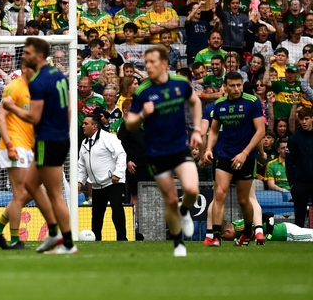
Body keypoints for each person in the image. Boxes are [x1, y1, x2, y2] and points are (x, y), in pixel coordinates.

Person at [126, 46, 204, 257]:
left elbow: (195, 102)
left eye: (152, 62)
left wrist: (197, 129)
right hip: (156, 153)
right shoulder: (143, 91)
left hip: (180, 148)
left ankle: (185, 211)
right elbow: (130, 123)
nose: (147, 66)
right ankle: (178, 243)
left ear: (163, 64)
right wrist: (142, 114)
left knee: (191, 190)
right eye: (146, 62)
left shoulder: (179, 83)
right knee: (170, 199)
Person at [1, 37, 73, 253]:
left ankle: (66, 242)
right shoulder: (58, 75)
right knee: (30, 187)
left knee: (55, 193)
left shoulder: (39, 81)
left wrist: (11, 107)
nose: (23, 56)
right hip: (58, 138)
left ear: (39, 56)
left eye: (27, 53)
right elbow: (68, 109)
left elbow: (33, 117)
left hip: (48, 140)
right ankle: (53, 234)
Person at [0, 63, 59, 250]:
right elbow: (0, 117)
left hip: (26, 147)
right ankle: (14, 239)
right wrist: (9, 145)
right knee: (20, 193)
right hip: (14, 146)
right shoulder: (14, 86)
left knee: (29, 191)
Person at [202, 72, 267, 246]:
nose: (236, 88)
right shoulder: (220, 104)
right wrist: (208, 148)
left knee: (243, 199)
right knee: (220, 193)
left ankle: (248, 231)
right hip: (224, 154)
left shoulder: (252, 102)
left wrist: (245, 153)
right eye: (232, 85)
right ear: (225, 86)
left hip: (246, 156)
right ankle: (214, 236)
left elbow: (260, 131)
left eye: (239, 85)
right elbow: (214, 130)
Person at [78, 114, 128, 241]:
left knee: (117, 209)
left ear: (95, 126)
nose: (82, 126)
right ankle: (96, 240)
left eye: (86, 123)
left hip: (112, 182)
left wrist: (118, 173)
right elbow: (82, 165)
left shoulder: (108, 138)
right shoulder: (84, 143)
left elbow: (121, 154)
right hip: (96, 185)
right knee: (97, 214)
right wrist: (79, 181)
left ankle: (122, 239)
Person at [287, 106, 313, 227]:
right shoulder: (294, 139)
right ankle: (298, 240)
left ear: (312, 119)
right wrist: (292, 183)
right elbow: (289, 162)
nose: (304, 122)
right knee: (299, 217)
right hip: (300, 183)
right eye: (301, 119)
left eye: (306, 119)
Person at [223, 213, 313, 242]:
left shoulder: (240, 227)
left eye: (223, 237)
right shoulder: (236, 227)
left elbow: (269, 215)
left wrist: (268, 236)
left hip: (287, 233)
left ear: (228, 231)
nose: (224, 240)